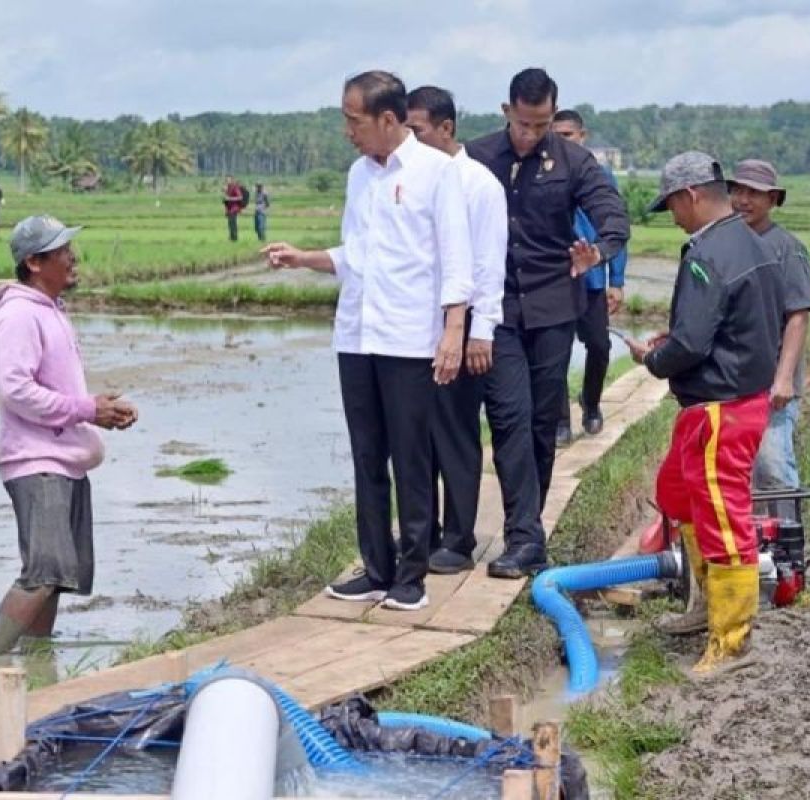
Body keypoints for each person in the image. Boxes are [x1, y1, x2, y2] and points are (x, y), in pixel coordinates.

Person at [262, 70, 472, 610]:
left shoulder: (437, 172)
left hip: (408, 338)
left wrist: (453, 332)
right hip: (357, 333)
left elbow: (456, 260)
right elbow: (355, 254)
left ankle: (411, 577)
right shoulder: (360, 174)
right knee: (366, 455)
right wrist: (304, 258)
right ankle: (376, 568)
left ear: (387, 119)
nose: (347, 131)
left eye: (353, 120)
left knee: (411, 458)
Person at [625, 151, 784, 675]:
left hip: (723, 407)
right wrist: (675, 341)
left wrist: (655, 358)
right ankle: (704, 607)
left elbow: (693, 342)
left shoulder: (707, 254)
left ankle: (732, 640)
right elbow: (725, 325)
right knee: (680, 494)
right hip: (728, 400)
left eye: (672, 205)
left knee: (722, 516)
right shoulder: (748, 242)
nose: (672, 216)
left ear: (690, 196)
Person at [466, 68, 629, 578]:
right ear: (506, 111)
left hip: (555, 308)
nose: (532, 135)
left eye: (542, 125)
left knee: (541, 421)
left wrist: (596, 252)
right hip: (496, 310)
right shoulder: (475, 158)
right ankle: (523, 536)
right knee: (509, 417)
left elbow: (613, 218)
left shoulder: (574, 161)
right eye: (523, 124)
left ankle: (528, 529)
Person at [0, 215, 139, 656]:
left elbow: (50, 388)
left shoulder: (50, 312)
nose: (73, 258)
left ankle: (35, 669)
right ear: (34, 261)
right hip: (37, 462)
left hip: (61, 458)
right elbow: (15, 389)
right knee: (42, 574)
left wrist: (96, 410)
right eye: (62, 250)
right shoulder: (17, 315)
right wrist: (88, 409)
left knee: (54, 579)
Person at [404, 85, 507, 574]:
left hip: (459, 330)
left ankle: (458, 538)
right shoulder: (408, 178)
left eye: (417, 130)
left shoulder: (477, 183)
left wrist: (480, 330)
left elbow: (487, 263)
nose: (410, 138)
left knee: (455, 434)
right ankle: (420, 533)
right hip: (411, 332)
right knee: (415, 436)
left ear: (446, 128)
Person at [729, 160, 810, 503]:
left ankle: (788, 549)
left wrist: (784, 378)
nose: (744, 200)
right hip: (733, 381)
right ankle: (749, 549)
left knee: (772, 467)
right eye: (739, 191)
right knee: (735, 472)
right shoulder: (728, 244)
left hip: (771, 385)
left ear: (773, 199)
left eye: (755, 193)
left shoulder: (786, 249)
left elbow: (797, 315)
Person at [549, 109, 628, 445]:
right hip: (555, 278)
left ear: (582, 136)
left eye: (568, 135)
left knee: (598, 344)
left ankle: (591, 402)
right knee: (555, 351)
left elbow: (616, 228)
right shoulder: (544, 173)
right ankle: (560, 421)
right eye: (557, 134)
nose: (562, 141)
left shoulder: (600, 175)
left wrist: (617, 280)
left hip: (592, 278)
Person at [222, 175, 245, 241]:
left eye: (228, 180)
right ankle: (231, 238)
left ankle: (235, 238)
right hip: (229, 209)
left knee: (233, 224)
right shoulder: (228, 188)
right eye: (226, 180)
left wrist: (230, 198)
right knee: (230, 224)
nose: (227, 181)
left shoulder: (235, 187)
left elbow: (240, 197)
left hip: (234, 209)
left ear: (231, 180)